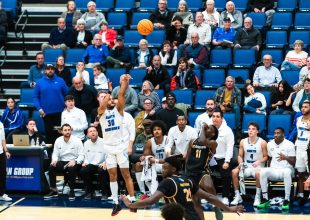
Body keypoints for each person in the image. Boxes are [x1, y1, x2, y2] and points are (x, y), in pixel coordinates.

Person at [121, 156, 245, 219]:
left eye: (165, 167)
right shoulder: (188, 181)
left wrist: (130, 204)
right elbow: (210, 196)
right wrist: (228, 209)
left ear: (173, 169)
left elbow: (151, 200)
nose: (163, 170)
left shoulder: (167, 182)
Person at [98, 74, 136, 216]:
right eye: (105, 98)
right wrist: (107, 94)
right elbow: (102, 106)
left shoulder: (119, 111)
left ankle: (132, 201)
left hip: (120, 147)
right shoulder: (100, 113)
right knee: (112, 176)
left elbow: (121, 94)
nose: (109, 100)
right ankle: (115, 203)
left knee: (126, 174)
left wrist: (124, 82)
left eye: (109, 99)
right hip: (108, 148)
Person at [257, 127, 296, 210]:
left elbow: (294, 162)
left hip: (286, 169)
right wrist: (270, 167)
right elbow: (270, 157)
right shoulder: (270, 144)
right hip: (274, 170)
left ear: (283, 135)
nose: (276, 135)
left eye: (278, 133)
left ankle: (287, 199)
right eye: (275, 133)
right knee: (263, 171)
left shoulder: (289, 144)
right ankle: (265, 199)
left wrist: (286, 157)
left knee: (287, 172)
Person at [230, 122, 267, 206]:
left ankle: (257, 197)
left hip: (258, 167)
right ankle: (237, 196)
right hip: (247, 166)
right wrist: (240, 163)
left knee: (258, 174)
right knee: (234, 172)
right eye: (249, 129)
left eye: (253, 129)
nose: (250, 131)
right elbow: (240, 155)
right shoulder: (243, 141)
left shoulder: (262, 142)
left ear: (257, 131)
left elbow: (266, 157)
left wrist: (259, 161)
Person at [44, 124, 84, 200]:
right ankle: (53, 190)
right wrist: (54, 160)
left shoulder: (77, 140)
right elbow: (55, 154)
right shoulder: (58, 140)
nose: (67, 132)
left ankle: (72, 190)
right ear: (62, 131)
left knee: (71, 168)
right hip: (62, 161)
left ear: (71, 131)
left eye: (69, 130)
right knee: (51, 167)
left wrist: (75, 161)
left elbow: (82, 155)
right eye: (65, 130)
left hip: (75, 161)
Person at [33, 64, 68, 144]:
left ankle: (59, 154)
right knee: (49, 134)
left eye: (52, 69)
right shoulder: (39, 82)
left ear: (54, 70)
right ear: (45, 71)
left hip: (60, 113)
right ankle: (49, 154)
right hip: (46, 113)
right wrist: (39, 108)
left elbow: (67, 94)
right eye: (48, 69)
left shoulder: (60, 80)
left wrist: (67, 106)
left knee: (59, 134)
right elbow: (35, 97)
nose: (50, 70)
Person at [211, 108, 235, 205]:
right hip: (211, 158)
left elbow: (230, 147)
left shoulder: (227, 130)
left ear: (222, 118)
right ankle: (210, 196)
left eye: (217, 117)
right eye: (213, 116)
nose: (215, 119)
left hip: (223, 158)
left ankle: (225, 196)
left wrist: (227, 161)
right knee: (203, 172)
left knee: (226, 174)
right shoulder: (209, 129)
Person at [80, 126, 110, 200]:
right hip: (91, 164)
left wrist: (105, 163)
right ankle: (90, 191)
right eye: (90, 131)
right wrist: (85, 162)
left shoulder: (104, 142)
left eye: (94, 131)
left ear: (97, 132)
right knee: (83, 170)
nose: (93, 132)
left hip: (102, 163)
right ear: (87, 135)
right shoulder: (86, 143)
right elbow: (85, 156)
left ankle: (104, 193)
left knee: (101, 171)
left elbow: (109, 155)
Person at [140, 120, 169, 194]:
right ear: (152, 132)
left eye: (159, 129)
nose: (156, 131)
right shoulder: (150, 141)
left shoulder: (167, 140)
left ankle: (165, 191)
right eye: (154, 129)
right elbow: (146, 155)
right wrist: (144, 157)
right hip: (155, 164)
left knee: (166, 166)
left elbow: (170, 159)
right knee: (140, 165)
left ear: (162, 130)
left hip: (166, 163)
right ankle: (144, 191)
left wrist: (156, 161)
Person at [291, 100, 310, 207]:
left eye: (306, 107)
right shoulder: (298, 119)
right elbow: (298, 133)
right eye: (302, 107)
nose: (303, 108)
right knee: (300, 174)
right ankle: (301, 195)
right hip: (299, 149)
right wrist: (296, 144)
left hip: (308, 150)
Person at [131, 119, 153, 197]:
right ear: (143, 126)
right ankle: (142, 191)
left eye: (149, 125)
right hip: (142, 159)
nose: (147, 127)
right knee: (137, 164)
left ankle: (152, 190)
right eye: (145, 125)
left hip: (153, 159)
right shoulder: (139, 137)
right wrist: (141, 157)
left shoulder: (155, 135)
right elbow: (135, 150)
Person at [0, 121, 11, 201]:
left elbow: (3, 139)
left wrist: (6, 151)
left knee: (2, 174)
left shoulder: (1, 124)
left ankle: (2, 194)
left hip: (0, 152)